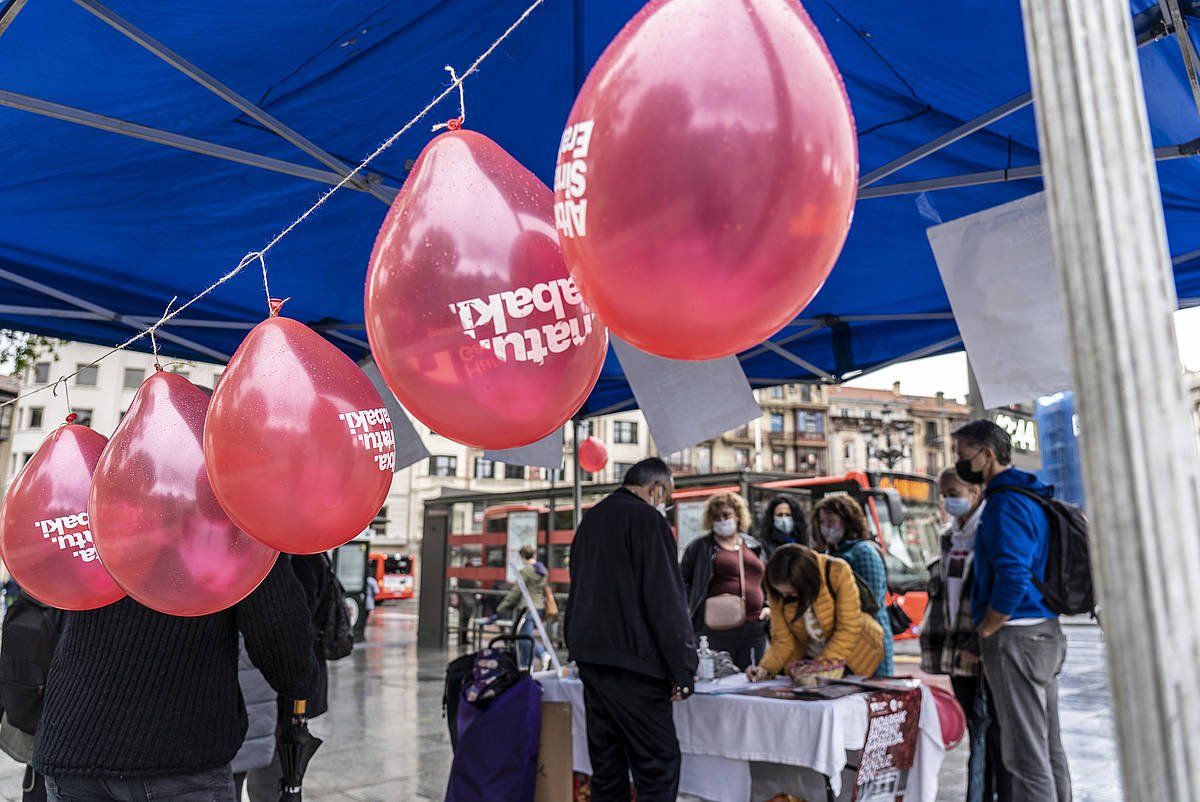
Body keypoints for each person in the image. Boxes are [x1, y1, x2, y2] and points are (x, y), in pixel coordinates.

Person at [32, 558, 317, 802]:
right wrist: (301, 680)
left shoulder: (102, 497)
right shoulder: (234, 515)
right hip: (177, 752)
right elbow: (284, 648)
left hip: (72, 737)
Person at [565, 458, 697, 802]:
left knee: (607, 770)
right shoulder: (648, 520)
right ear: (655, 489)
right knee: (657, 767)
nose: (664, 502)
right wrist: (683, 668)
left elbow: (577, 585)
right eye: (665, 494)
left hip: (592, 659)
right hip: (637, 665)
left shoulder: (592, 518)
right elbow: (666, 599)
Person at [952, 419, 1070, 802]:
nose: (959, 462)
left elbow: (1013, 576)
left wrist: (987, 628)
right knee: (1048, 747)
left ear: (987, 454)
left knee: (1024, 756)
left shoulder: (1006, 503)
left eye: (962, 455)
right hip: (1043, 631)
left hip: (1017, 635)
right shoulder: (1030, 495)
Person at [921, 468, 1012, 802]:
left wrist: (980, 640)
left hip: (984, 643)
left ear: (976, 491)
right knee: (977, 730)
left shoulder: (989, 531)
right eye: (943, 494)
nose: (947, 500)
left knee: (992, 733)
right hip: (955, 646)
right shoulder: (948, 536)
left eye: (953, 492)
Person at [246, 554, 333, 802]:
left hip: (279, 694)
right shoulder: (314, 556)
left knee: (270, 775)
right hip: (285, 690)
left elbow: (287, 635)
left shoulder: (292, 559)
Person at [746, 544, 883, 680]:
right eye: (781, 593)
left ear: (805, 583)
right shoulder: (777, 591)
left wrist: (821, 666)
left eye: (790, 593)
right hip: (810, 665)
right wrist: (765, 668)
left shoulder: (837, 571)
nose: (785, 597)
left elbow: (848, 628)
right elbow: (782, 640)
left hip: (855, 659)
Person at [680, 492, 767, 669]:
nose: (721, 520)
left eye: (726, 515)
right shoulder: (700, 547)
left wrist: (767, 606)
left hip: (754, 627)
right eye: (716, 517)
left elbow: (766, 580)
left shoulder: (753, 545)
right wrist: (695, 609)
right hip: (717, 629)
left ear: (737, 515)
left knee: (754, 678)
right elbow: (682, 581)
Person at [812, 495, 894, 676]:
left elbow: (871, 600)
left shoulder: (863, 551)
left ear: (847, 521)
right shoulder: (829, 553)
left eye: (831, 521)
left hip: (868, 643)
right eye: (822, 522)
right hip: (842, 641)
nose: (826, 527)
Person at [495, 544, 549, 670]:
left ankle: (537, 657)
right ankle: (528, 663)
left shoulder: (526, 571)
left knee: (524, 637)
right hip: (539, 607)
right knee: (526, 635)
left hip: (527, 608)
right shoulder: (542, 571)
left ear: (523, 556)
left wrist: (502, 607)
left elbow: (516, 592)